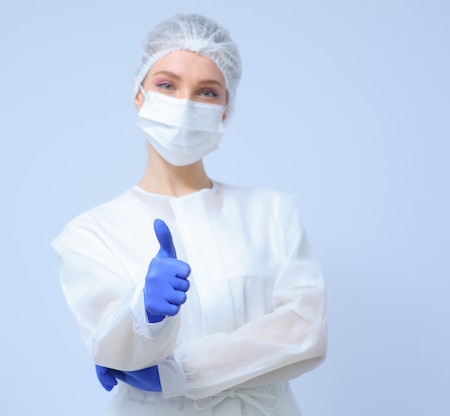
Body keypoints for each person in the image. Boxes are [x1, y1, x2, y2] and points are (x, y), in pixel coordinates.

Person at [51, 13, 327, 416]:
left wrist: (181, 372)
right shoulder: (91, 233)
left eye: (207, 92)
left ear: (225, 110)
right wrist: (144, 315)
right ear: (138, 94)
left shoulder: (271, 212)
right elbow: (112, 349)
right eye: (166, 84)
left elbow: (304, 332)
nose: (184, 105)